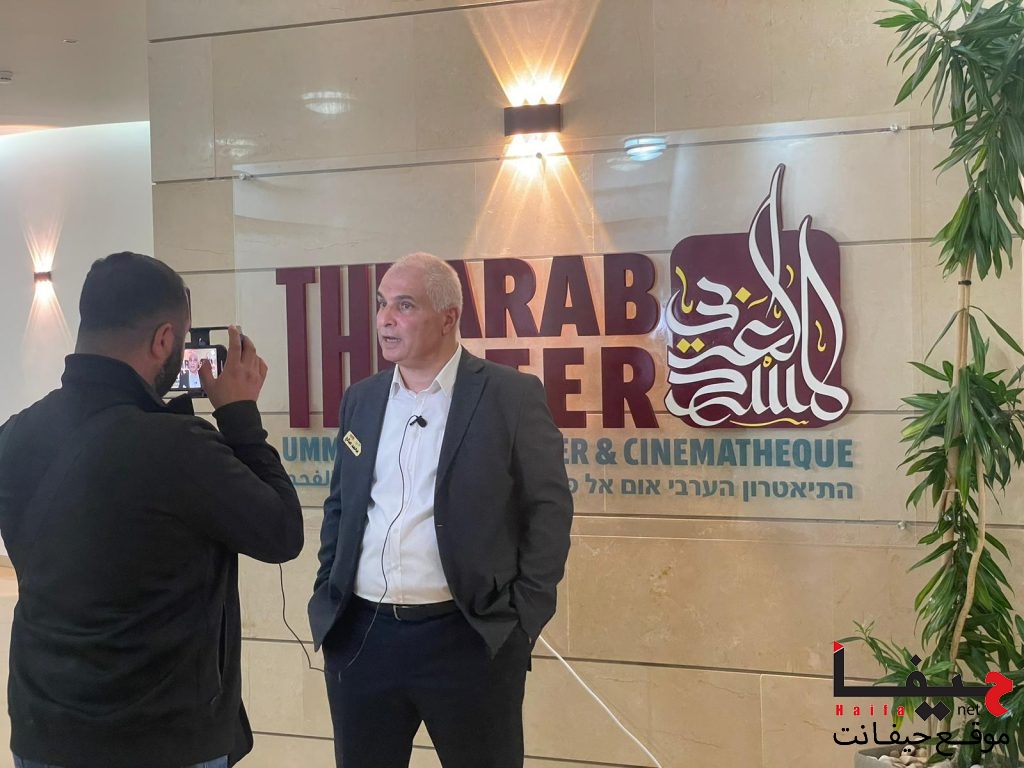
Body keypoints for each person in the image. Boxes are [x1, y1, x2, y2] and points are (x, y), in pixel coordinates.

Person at [0, 251, 304, 768]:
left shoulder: (15, 434)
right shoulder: (178, 445)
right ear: (164, 340)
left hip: (44, 729)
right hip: (163, 737)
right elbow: (282, 533)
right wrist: (240, 416)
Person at [308, 252, 573, 768]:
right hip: (362, 637)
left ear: (449, 317)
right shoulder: (361, 399)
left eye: (404, 306)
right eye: (382, 304)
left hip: (467, 637)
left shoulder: (510, 395)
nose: (385, 319)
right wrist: (328, 589)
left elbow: (549, 508)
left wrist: (522, 621)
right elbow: (341, 504)